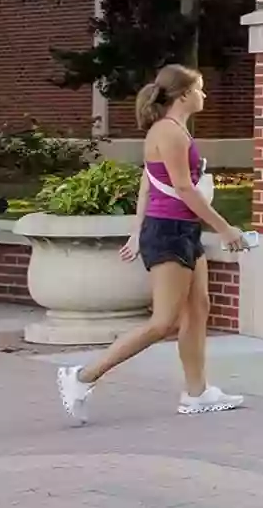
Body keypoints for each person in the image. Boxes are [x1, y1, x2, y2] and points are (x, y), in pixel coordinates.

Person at [54, 65, 249, 424]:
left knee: (199, 307)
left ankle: (197, 393)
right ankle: (82, 377)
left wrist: (136, 230)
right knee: (163, 322)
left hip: (180, 229)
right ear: (184, 94)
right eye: (201, 89)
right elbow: (184, 188)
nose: (205, 96)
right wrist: (225, 229)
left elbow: (148, 181)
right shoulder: (169, 133)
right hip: (170, 230)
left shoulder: (174, 131)